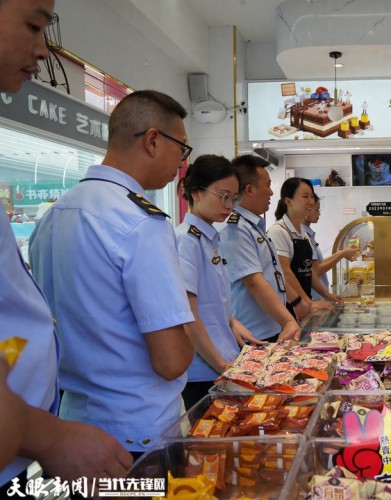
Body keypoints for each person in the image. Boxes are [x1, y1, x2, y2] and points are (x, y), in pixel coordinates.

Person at [0, 0, 132, 490]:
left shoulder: (63, 210)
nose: (42, 50)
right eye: (34, 25)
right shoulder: (140, 222)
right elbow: (169, 354)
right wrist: (48, 437)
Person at [29, 90, 196, 459]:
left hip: (75, 428)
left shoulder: (53, 216)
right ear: (153, 140)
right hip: (141, 434)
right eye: (182, 149)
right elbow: (171, 361)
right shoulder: (140, 222)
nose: (182, 164)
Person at [175, 155, 267, 409]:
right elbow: (188, 315)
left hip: (223, 359)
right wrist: (221, 366)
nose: (229, 204)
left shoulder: (209, 239)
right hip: (206, 368)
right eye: (223, 196)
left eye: (234, 197)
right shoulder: (187, 241)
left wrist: (233, 324)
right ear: (196, 193)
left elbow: (214, 302)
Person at [220, 155, 304, 342]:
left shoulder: (254, 227)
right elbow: (254, 282)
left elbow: (274, 275)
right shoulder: (237, 230)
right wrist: (288, 321)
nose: (272, 193)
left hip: (270, 328)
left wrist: (297, 303)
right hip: (253, 336)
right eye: (268, 185)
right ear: (250, 190)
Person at [267, 177, 341, 316]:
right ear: (288, 201)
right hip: (290, 306)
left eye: (312, 196)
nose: (311, 202)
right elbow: (284, 273)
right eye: (305, 196)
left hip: (304, 304)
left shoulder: (302, 232)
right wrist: (308, 302)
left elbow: (309, 271)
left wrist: (327, 294)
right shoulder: (278, 231)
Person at [303, 194, 358, 300]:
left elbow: (318, 263)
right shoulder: (302, 236)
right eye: (317, 210)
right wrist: (341, 254)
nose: (319, 214)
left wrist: (341, 253)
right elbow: (317, 270)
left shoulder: (308, 234)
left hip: (318, 296)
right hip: (312, 297)